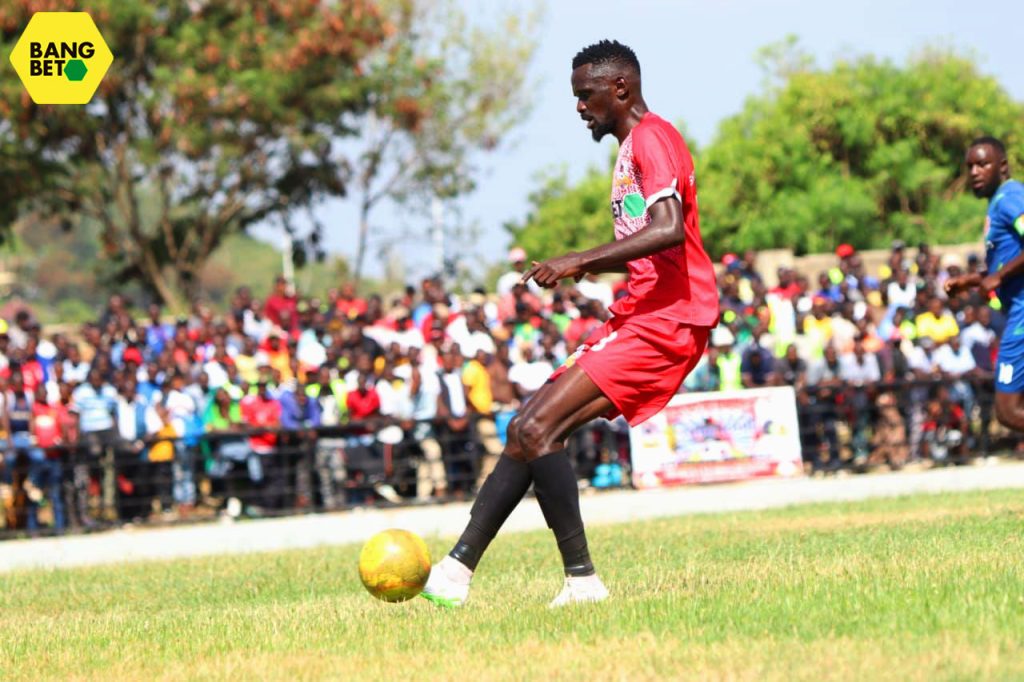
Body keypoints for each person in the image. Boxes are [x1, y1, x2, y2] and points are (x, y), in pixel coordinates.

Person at [422, 40, 718, 608]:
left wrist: (580, 260)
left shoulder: (653, 137)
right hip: (641, 315)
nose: (579, 107)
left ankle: (581, 581)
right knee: (523, 429)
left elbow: (669, 228)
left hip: (669, 320)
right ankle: (455, 573)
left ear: (620, 89)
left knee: (537, 429)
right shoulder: (634, 145)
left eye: (586, 96)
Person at [945, 137, 1024, 432]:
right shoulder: (997, 204)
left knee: (1009, 412)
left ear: (1003, 166)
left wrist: (998, 277)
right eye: (970, 166)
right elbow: (1008, 264)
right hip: (1015, 313)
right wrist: (971, 280)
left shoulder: (1010, 197)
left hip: (1022, 316)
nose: (974, 172)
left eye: (983, 164)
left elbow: (1002, 272)